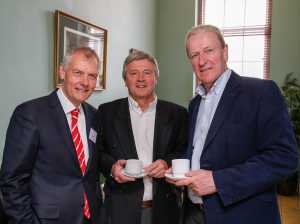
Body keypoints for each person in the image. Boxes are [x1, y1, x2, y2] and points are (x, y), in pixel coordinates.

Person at [168, 24, 299, 224]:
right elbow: (200, 152)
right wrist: (176, 168)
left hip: (240, 215)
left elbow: (285, 158)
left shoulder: (260, 92)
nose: (202, 61)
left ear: (225, 51)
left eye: (208, 50)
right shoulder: (195, 103)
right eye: (194, 55)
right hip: (193, 214)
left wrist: (218, 181)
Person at [0, 47, 102, 224]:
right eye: (78, 73)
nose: (85, 82)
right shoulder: (30, 114)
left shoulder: (95, 116)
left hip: (90, 216)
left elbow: (89, 172)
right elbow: (12, 181)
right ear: (62, 72)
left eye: (92, 76)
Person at [95, 49, 188, 224]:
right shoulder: (106, 112)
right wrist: (112, 168)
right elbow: (98, 153)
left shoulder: (177, 114)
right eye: (133, 73)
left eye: (147, 72)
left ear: (156, 78)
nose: (140, 79)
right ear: (125, 80)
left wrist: (166, 163)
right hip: (120, 210)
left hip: (165, 210)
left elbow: (184, 151)